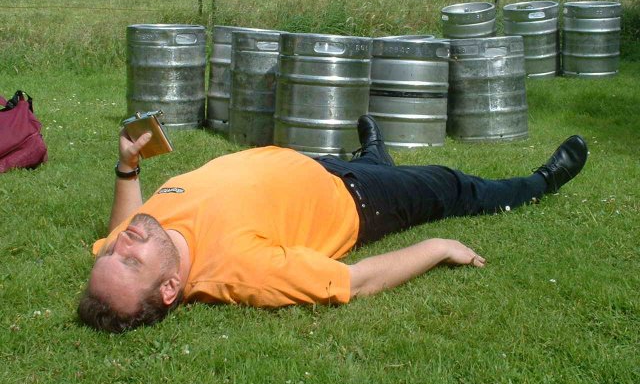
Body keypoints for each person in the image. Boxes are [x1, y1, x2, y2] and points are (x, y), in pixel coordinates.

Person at [78, 116, 588, 333]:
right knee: (450, 185)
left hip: (310, 165)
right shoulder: (241, 271)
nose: (124, 241)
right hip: (357, 198)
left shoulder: (145, 234)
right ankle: (540, 182)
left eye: (111, 253)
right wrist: (437, 247)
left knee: (371, 162)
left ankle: (374, 155)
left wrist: (128, 166)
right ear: (170, 288)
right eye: (130, 260)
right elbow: (354, 281)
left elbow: (118, 229)